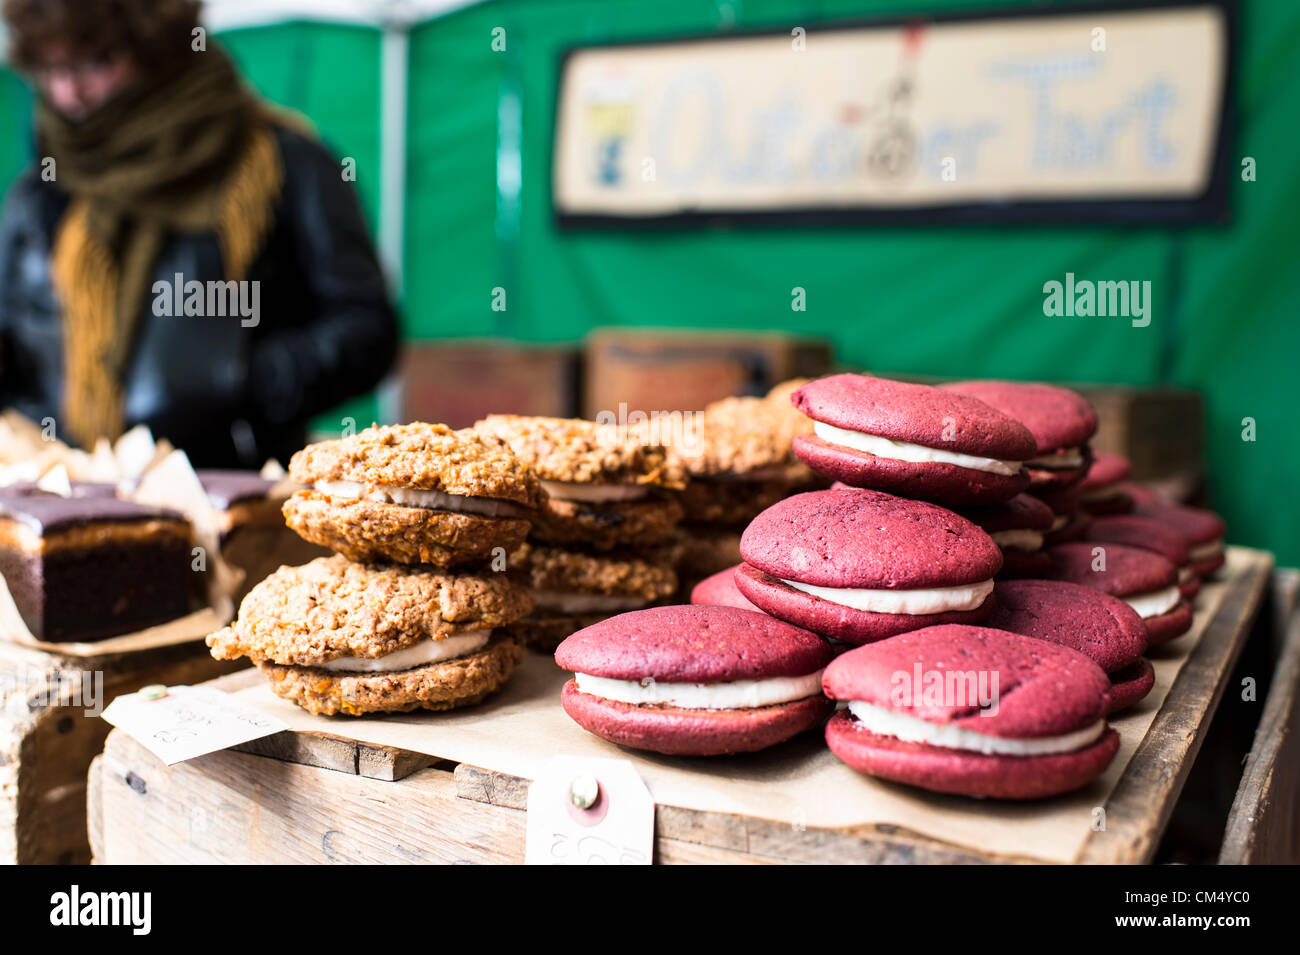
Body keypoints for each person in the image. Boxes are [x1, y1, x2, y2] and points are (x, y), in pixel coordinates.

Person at [0, 0, 398, 467]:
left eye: (97, 62)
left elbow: (368, 331)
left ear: (158, 49)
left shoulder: (285, 163)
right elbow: (19, 332)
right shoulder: (40, 187)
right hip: (63, 495)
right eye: (52, 68)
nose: (70, 92)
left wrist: (242, 379)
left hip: (233, 504)